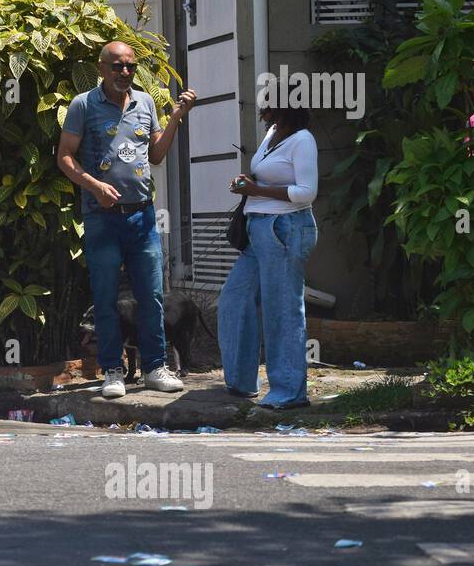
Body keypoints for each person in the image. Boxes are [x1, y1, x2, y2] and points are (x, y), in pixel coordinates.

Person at [57, 41, 196, 399]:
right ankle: (113, 371)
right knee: (105, 298)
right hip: (102, 217)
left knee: (151, 295)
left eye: (130, 67)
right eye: (117, 66)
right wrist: (94, 185)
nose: (125, 73)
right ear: (102, 67)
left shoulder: (145, 102)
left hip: (142, 216)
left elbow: (158, 154)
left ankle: (154, 367)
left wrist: (177, 117)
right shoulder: (83, 105)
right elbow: (65, 157)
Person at [217, 106, 318, 410]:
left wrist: (257, 189)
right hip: (257, 229)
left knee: (283, 311)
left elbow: (307, 192)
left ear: (284, 107)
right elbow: (264, 178)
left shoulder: (303, 140)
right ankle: (241, 381)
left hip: (285, 229)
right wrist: (246, 184)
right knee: (234, 299)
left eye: (267, 103)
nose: (261, 109)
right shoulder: (272, 134)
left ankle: (289, 392)